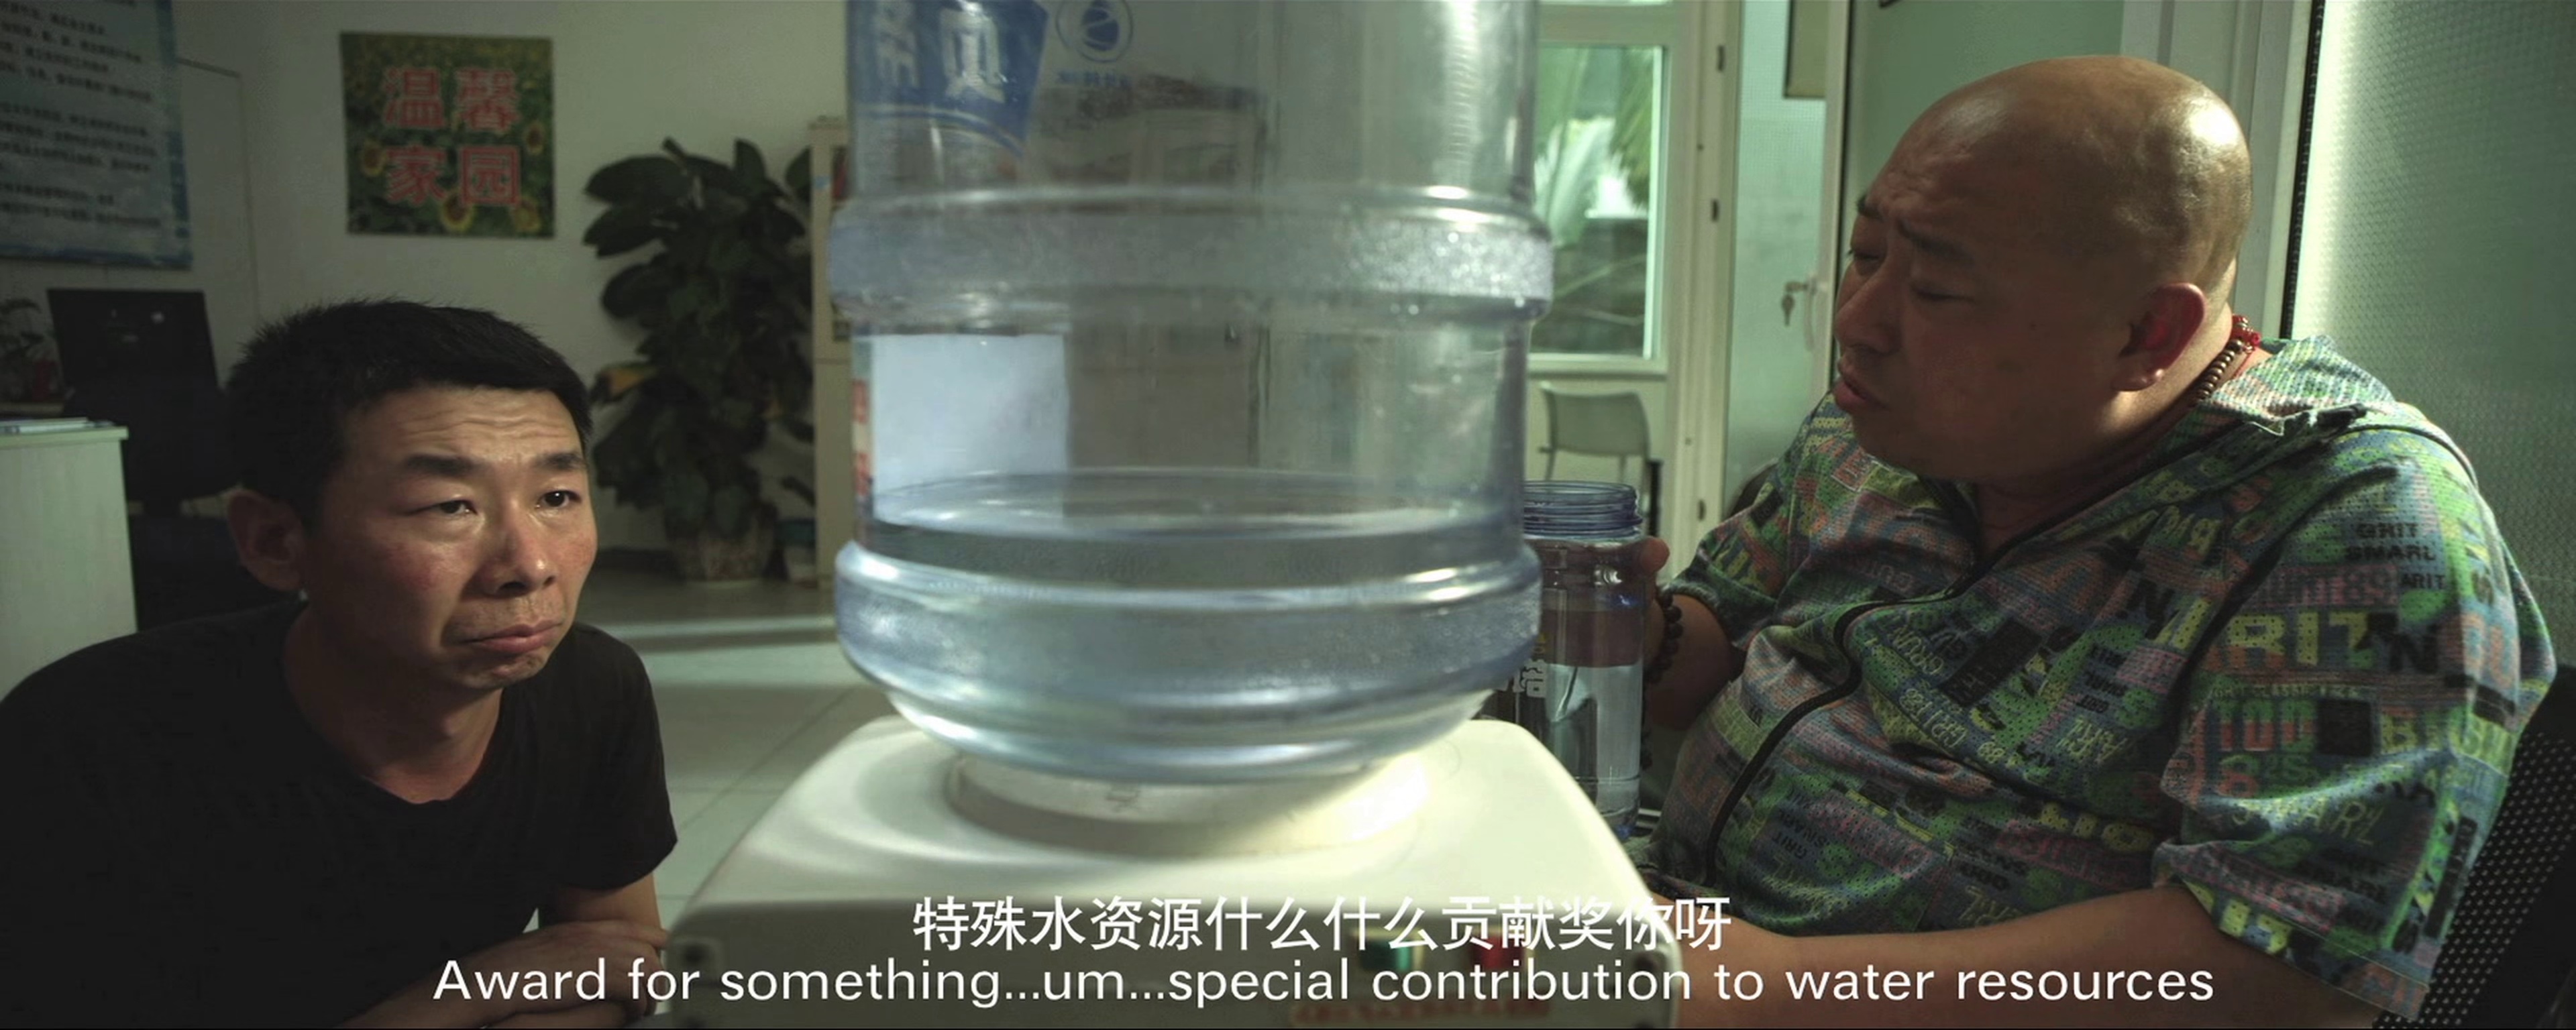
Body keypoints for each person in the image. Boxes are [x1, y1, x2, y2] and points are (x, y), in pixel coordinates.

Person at [1635, 56, 2553, 1027]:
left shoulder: (2353, 522)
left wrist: (1776, 988)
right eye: (1867, 255)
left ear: (2145, 333)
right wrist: (1632, 626)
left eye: (1937, 290)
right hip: (1675, 925)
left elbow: (2280, 971)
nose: (1856, 325)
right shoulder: (1881, 421)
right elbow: (1712, 648)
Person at [0, 301, 676, 1027]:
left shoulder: (591, 688)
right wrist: (469, 991)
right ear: (274, 541)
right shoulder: (84, 745)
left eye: (557, 497)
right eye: (449, 506)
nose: (530, 565)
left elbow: (620, 969)